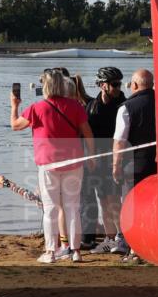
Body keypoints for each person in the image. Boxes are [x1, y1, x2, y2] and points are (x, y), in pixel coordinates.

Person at [11, 69, 95, 263]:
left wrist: (14, 105)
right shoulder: (75, 106)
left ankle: (51, 252)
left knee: (51, 208)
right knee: (72, 207)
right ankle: (76, 251)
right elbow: (88, 133)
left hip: (48, 164)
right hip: (74, 162)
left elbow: (15, 125)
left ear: (45, 86)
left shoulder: (37, 108)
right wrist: (91, 156)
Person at [80, 67, 127, 253]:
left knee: (114, 200)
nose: (118, 87)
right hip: (96, 161)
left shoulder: (123, 105)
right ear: (102, 85)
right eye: (114, 84)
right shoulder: (91, 106)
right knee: (103, 200)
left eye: (119, 84)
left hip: (116, 160)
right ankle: (110, 238)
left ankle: (122, 238)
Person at [112, 69, 156, 259]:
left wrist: (116, 166)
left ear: (135, 85)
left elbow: (119, 141)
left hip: (134, 167)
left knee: (131, 208)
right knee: (152, 206)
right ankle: (150, 247)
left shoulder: (127, 107)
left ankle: (134, 249)